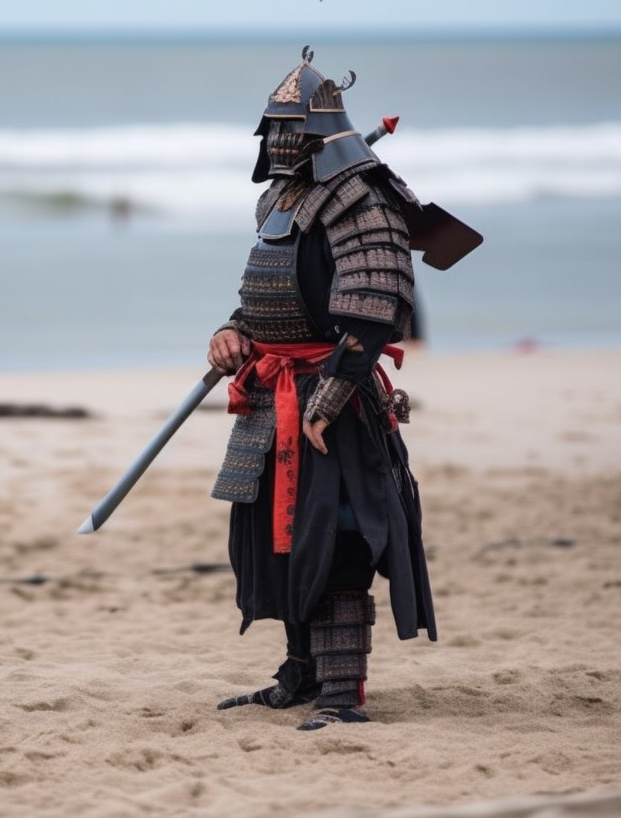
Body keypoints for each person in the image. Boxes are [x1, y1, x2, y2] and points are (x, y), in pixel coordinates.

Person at [208, 48, 437, 731]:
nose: (281, 143)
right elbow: (264, 298)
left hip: (331, 401)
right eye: (272, 130)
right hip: (272, 399)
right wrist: (230, 334)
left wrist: (334, 393)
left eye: (292, 131)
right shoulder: (277, 202)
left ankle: (342, 694)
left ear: (321, 134)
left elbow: (378, 301)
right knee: (278, 539)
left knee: (336, 542)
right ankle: (303, 674)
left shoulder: (361, 198)